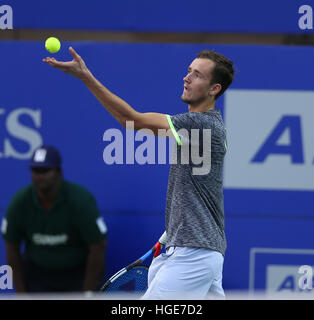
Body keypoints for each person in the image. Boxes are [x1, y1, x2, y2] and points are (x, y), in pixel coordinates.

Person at [42, 47, 234, 299]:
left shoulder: (202, 126)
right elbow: (199, 196)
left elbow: (130, 119)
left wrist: (85, 77)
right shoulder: (205, 127)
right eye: (189, 71)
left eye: (197, 75)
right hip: (196, 250)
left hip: (193, 255)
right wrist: (170, 234)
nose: (186, 78)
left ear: (214, 89)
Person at [1, 145, 107, 293]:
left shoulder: (80, 200)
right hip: (37, 275)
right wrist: (21, 294)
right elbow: (12, 249)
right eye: (36, 171)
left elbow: (98, 246)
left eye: (45, 171)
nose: (40, 176)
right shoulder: (20, 202)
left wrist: (87, 293)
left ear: (58, 172)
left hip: (77, 274)